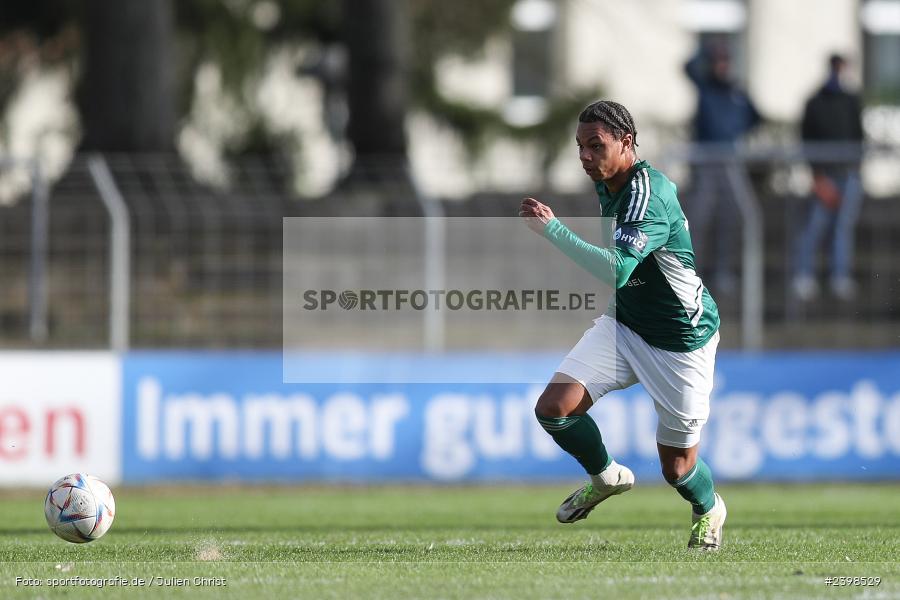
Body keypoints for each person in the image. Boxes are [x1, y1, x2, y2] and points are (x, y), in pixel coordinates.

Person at [519, 100, 725, 550]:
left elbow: (617, 270)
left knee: (677, 470)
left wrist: (554, 230)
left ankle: (709, 508)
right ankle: (606, 477)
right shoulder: (610, 180)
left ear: (627, 143)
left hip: (680, 339)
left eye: (596, 146)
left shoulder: (647, 192)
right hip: (627, 324)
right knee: (554, 408)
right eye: (580, 147)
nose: (586, 157)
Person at [684, 42, 760, 293]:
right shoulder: (706, 86)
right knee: (698, 218)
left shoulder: (735, 91)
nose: (721, 66)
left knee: (733, 216)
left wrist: (734, 133)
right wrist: (706, 46)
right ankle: (689, 272)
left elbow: (755, 117)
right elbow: (687, 67)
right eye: (717, 62)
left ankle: (723, 271)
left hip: (730, 162)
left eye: (724, 61)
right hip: (707, 161)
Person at [793, 54, 864, 301]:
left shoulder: (852, 100)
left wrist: (856, 171)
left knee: (842, 229)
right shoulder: (816, 102)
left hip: (849, 175)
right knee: (814, 226)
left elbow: (858, 137)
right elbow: (807, 140)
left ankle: (840, 276)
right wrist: (818, 177)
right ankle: (804, 275)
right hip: (825, 176)